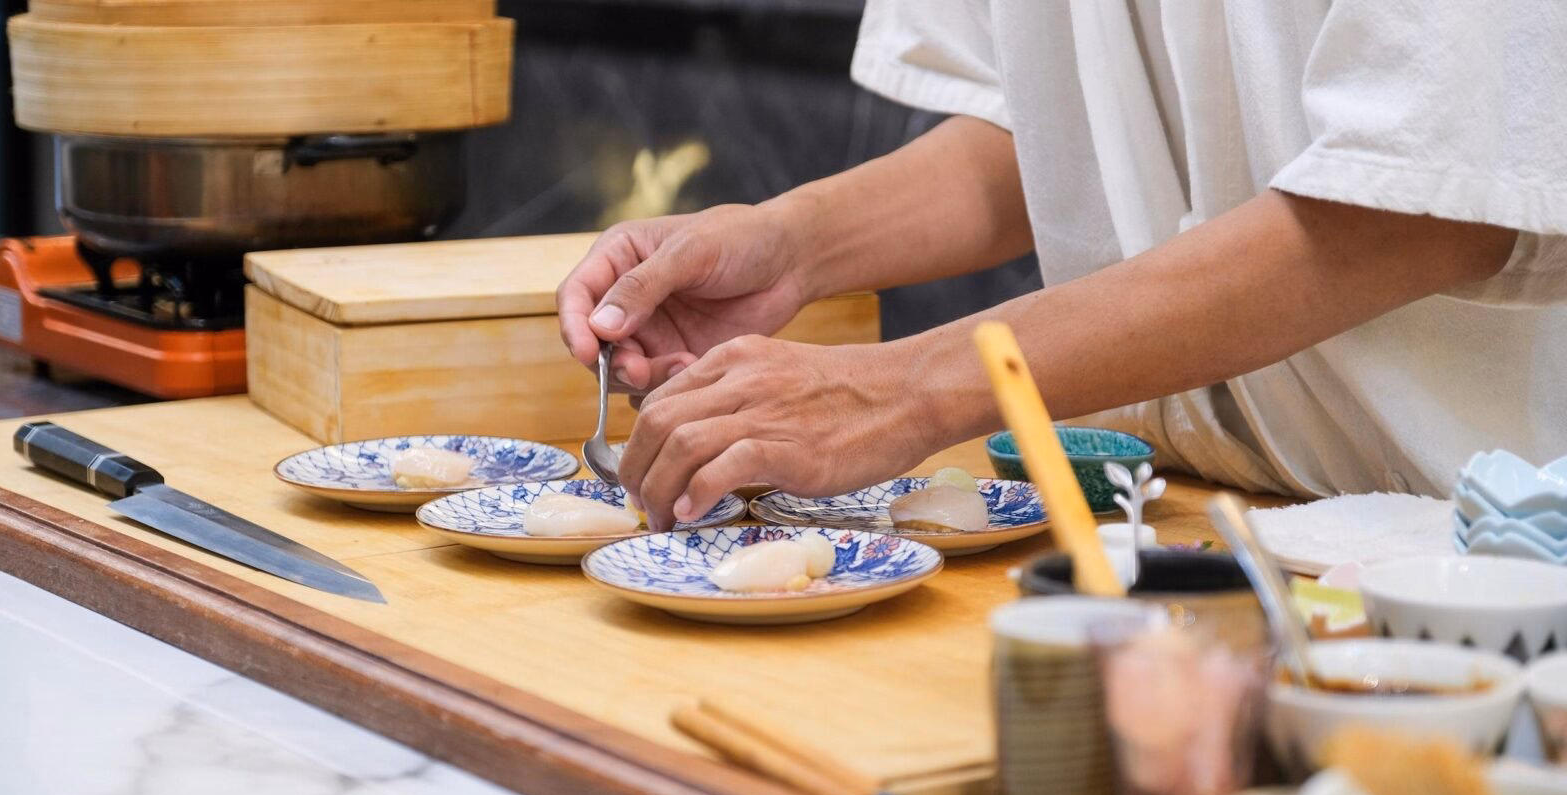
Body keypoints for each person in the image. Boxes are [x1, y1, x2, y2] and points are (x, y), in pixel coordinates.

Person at [556, 1, 1567, 532]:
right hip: (1213, 516)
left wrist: (906, 389)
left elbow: (1421, 205)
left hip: (1489, 547)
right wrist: (793, 244)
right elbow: (1049, 127)